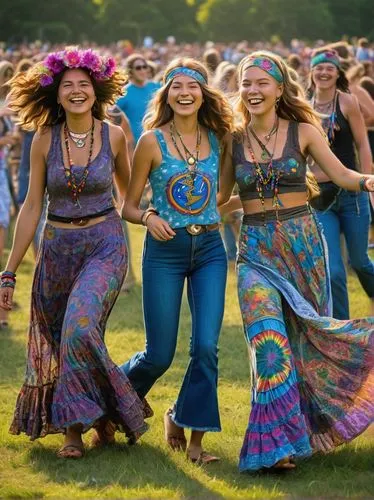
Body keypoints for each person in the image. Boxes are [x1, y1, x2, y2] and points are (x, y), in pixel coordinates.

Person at [218, 51, 374, 473]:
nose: (252, 90)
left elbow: (341, 175)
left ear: (280, 88)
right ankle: (273, 445)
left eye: (261, 83)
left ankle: (302, 428)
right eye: (246, 84)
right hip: (255, 252)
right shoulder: (232, 139)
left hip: (303, 245)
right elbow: (220, 198)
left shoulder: (304, 130)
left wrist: (369, 180)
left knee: (305, 338)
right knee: (269, 343)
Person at [0, 47, 148, 458]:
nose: (78, 91)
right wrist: (9, 271)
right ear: (57, 93)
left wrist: (154, 218)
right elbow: (32, 206)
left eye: (85, 84)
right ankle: (95, 420)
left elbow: (130, 196)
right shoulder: (43, 139)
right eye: (69, 86)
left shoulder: (114, 135)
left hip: (105, 243)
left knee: (79, 328)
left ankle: (73, 428)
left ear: (96, 89)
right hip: (57, 248)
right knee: (63, 339)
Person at [121, 58, 233, 463]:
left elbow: (217, 199)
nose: (185, 93)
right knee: (159, 354)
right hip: (164, 255)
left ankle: (196, 441)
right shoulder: (151, 141)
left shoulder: (220, 139)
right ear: (166, 94)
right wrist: (149, 218)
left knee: (206, 346)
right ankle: (105, 400)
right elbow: (128, 207)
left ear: (205, 94)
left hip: (209, 252)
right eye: (176, 87)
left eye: (193, 86)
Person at [308, 49, 374, 319]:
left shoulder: (347, 102)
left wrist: (368, 181)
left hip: (351, 195)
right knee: (333, 270)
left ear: (337, 73)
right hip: (319, 199)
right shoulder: (304, 106)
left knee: (359, 261)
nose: (324, 72)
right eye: (319, 67)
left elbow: (362, 144)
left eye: (329, 68)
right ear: (311, 72)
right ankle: (343, 328)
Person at [116, 54, 161, 145]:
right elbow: (113, 115)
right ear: (130, 71)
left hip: (158, 141)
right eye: (138, 68)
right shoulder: (123, 93)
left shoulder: (157, 87)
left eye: (145, 67)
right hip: (134, 145)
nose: (142, 70)